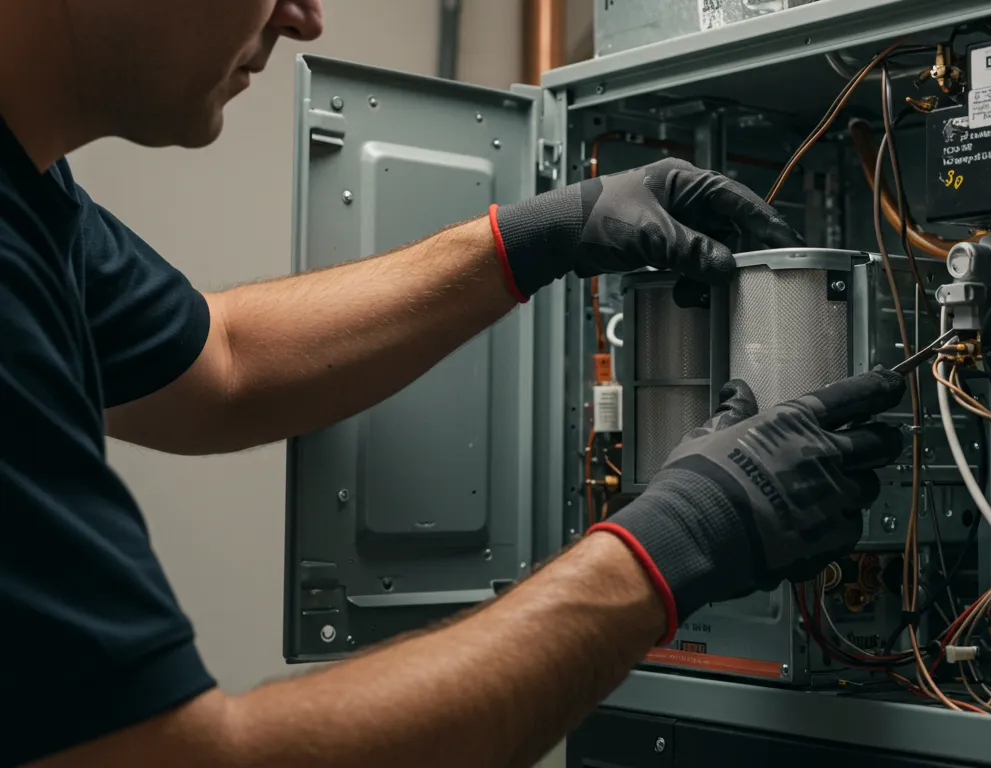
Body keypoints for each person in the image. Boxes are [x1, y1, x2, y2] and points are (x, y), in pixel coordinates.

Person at [0, 2, 906, 767]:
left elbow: (224, 359)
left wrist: (539, 234)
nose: (305, 16)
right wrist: (684, 537)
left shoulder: (33, 200)